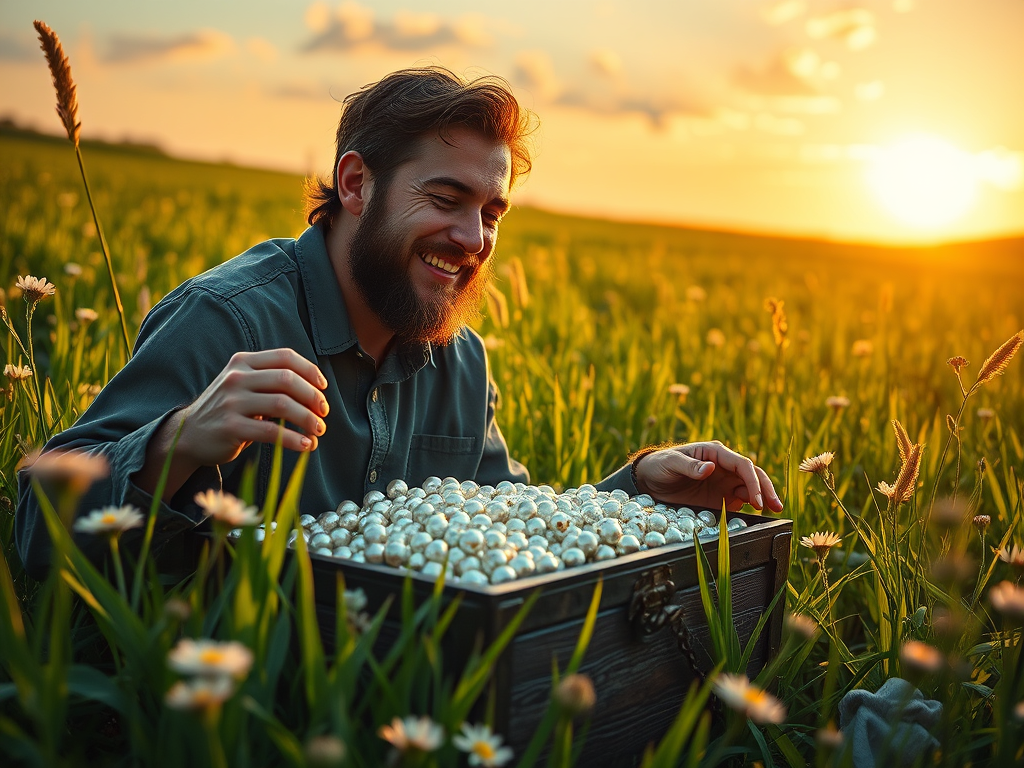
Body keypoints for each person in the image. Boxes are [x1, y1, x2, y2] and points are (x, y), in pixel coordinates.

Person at [15, 67, 783, 580]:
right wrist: (174, 442)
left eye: (491, 213)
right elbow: (31, 532)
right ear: (356, 183)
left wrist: (635, 490)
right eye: (446, 200)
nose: (474, 239)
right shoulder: (228, 321)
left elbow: (502, 526)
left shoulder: (459, 360)